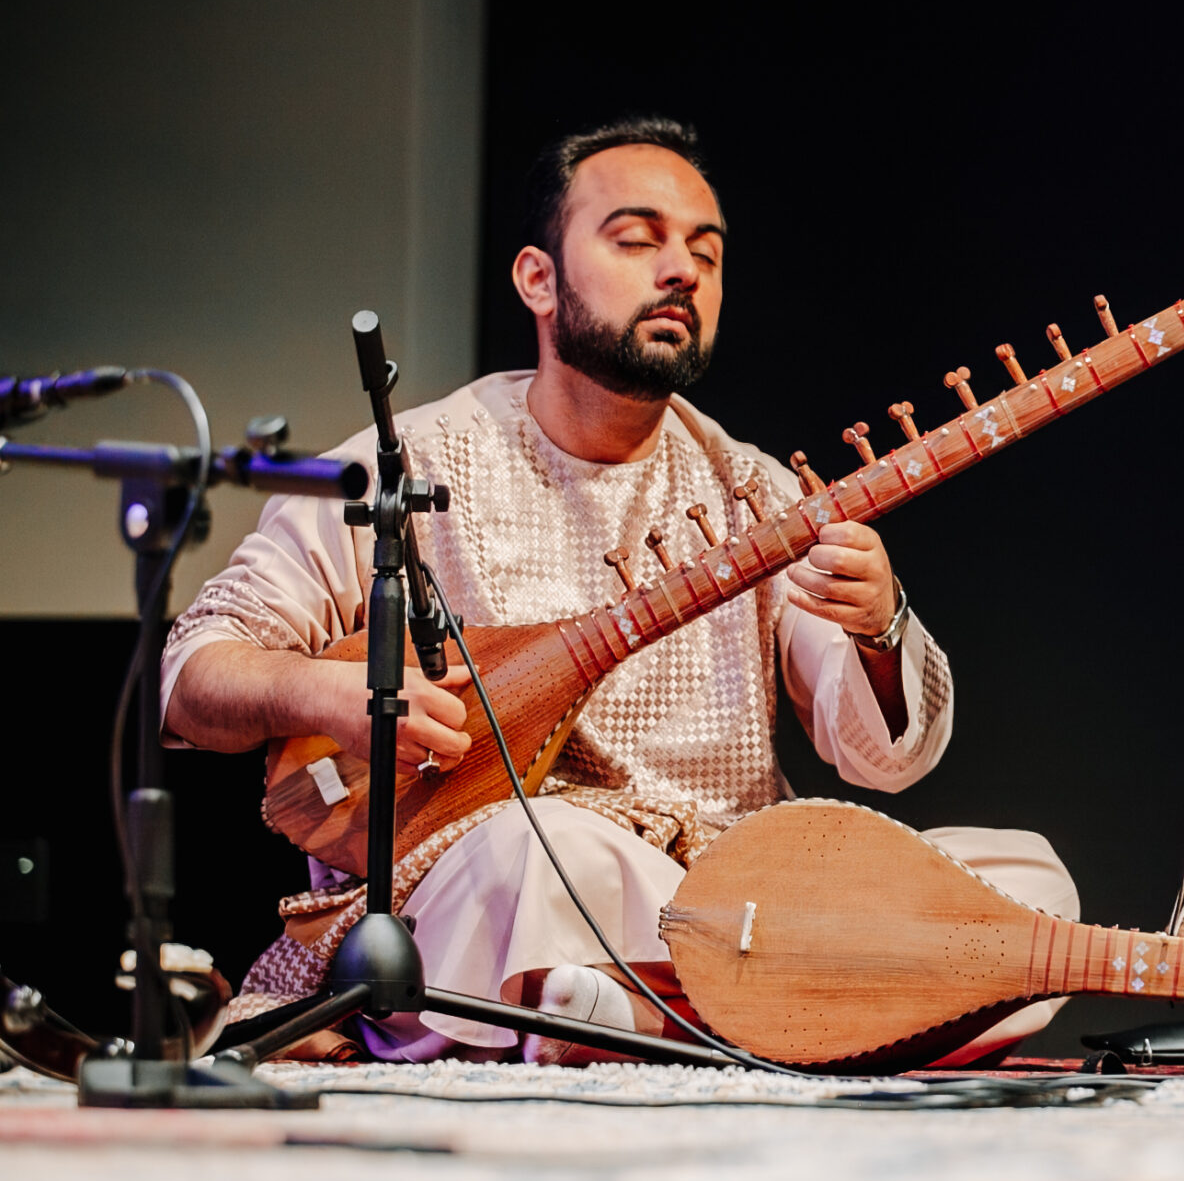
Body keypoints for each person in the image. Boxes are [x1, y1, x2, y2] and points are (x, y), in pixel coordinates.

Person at [164, 118, 1075, 1063]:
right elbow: (192, 671)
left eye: (706, 254)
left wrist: (880, 626)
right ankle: (763, 1022)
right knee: (539, 852)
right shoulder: (404, 470)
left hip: (732, 903)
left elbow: (883, 760)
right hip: (527, 885)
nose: (681, 271)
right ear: (538, 279)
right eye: (637, 240)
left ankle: (628, 1018)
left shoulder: (755, 493)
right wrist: (328, 693)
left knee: (1025, 881)